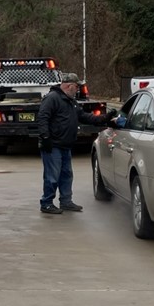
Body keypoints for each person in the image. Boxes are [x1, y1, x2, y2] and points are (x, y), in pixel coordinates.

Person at [36, 73, 105, 215]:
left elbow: (84, 117)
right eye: (76, 86)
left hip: (65, 145)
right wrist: (46, 137)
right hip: (53, 145)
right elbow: (43, 118)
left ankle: (66, 201)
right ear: (69, 85)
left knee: (66, 174)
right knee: (52, 175)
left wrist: (104, 118)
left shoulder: (71, 102)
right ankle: (47, 203)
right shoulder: (52, 98)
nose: (78, 89)